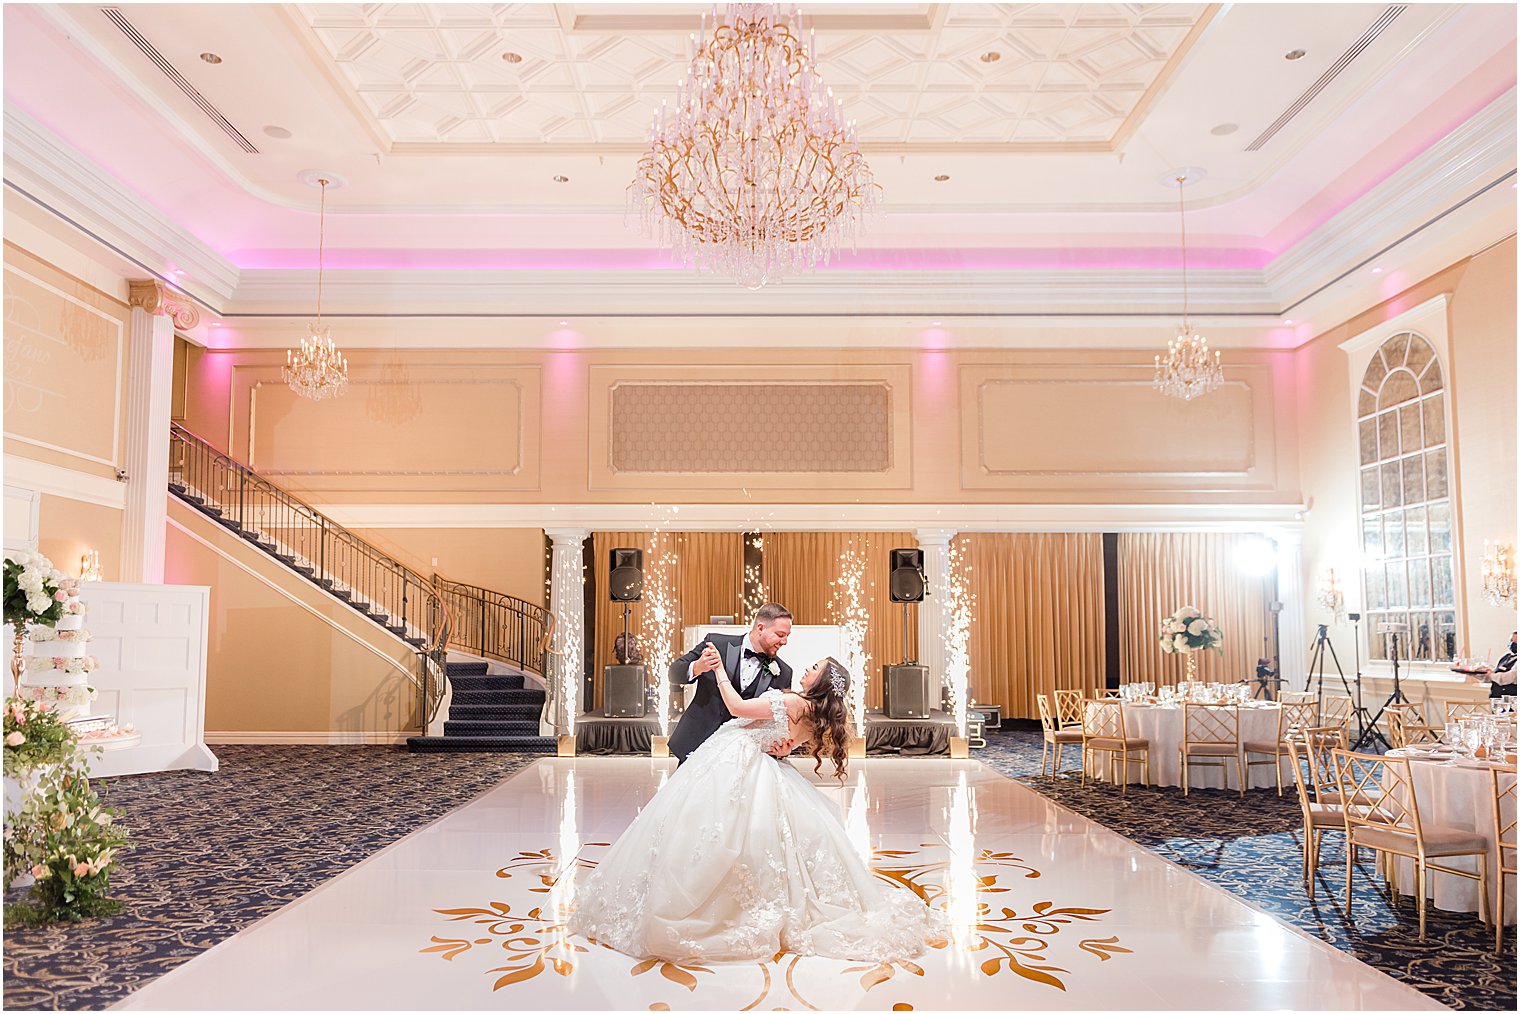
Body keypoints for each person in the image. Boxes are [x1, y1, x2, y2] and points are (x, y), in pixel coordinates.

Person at [568, 656, 946, 964]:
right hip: (759, 766)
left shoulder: (791, 701)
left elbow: (736, 707)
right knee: (761, 839)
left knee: (711, 830)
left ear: (820, 683)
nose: (807, 668)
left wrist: (718, 671)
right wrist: (779, 746)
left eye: (814, 668)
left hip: (736, 762)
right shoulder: (814, 715)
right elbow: (784, 745)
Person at [665, 603, 795, 764]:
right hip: (698, 743)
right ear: (760, 628)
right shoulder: (716, 643)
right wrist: (697, 667)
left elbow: (779, 721)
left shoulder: (784, 672)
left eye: (787, 636)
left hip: (742, 757)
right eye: (780, 634)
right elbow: (673, 673)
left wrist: (783, 749)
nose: (785, 641)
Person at [1490, 630, 1517, 698]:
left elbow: (1510, 677)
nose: (1512, 643)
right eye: (1511, 640)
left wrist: (1490, 675)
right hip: (1497, 696)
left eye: (1516, 641)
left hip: (1512, 698)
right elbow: (1495, 672)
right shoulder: (1506, 657)